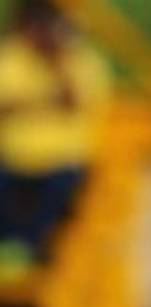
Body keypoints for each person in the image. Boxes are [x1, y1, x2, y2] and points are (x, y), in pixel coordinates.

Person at [0, 0, 109, 270]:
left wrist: (57, 61)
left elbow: (74, 101)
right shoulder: (10, 57)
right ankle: (18, 255)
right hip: (14, 159)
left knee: (55, 198)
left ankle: (34, 255)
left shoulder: (78, 59)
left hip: (64, 161)